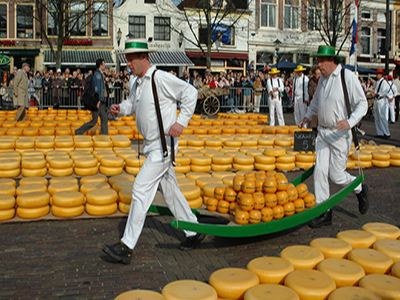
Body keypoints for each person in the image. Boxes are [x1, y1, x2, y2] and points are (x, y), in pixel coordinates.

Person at [102, 39, 203, 264]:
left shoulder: (160, 78)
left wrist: (181, 122)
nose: (127, 64)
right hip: (151, 145)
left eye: (130, 59)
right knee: (170, 191)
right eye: (126, 59)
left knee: (140, 189)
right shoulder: (136, 82)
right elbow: (132, 104)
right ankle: (193, 231)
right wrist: (121, 109)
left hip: (162, 147)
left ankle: (126, 245)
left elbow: (190, 94)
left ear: (143, 57)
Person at [298, 45, 369, 228]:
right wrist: (307, 115)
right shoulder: (322, 80)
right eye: (318, 61)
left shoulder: (347, 77)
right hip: (323, 132)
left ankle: (359, 187)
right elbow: (316, 102)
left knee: (336, 175)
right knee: (320, 171)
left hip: (339, 134)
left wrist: (350, 121)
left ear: (332, 61)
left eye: (322, 61)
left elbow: (362, 104)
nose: (318, 65)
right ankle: (324, 211)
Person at [75, 59, 108, 135]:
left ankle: (105, 135)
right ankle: (78, 131)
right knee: (94, 121)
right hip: (98, 101)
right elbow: (97, 89)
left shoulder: (100, 74)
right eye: (104, 64)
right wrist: (98, 101)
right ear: (100, 65)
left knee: (104, 118)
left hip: (100, 101)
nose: (105, 65)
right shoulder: (98, 75)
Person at [371, 69, 392, 139]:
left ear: (381, 75)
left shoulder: (384, 83)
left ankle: (386, 132)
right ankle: (379, 132)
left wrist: (376, 94)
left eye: (378, 74)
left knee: (382, 117)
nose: (377, 75)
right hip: (377, 100)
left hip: (381, 100)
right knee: (377, 117)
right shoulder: (377, 82)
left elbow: (384, 92)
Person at [307, 65, 321, 130]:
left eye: (320, 73)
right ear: (314, 74)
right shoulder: (311, 82)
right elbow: (311, 93)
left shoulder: (323, 81)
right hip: (314, 105)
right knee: (314, 126)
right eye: (318, 74)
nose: (319, 75)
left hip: (322, 107)